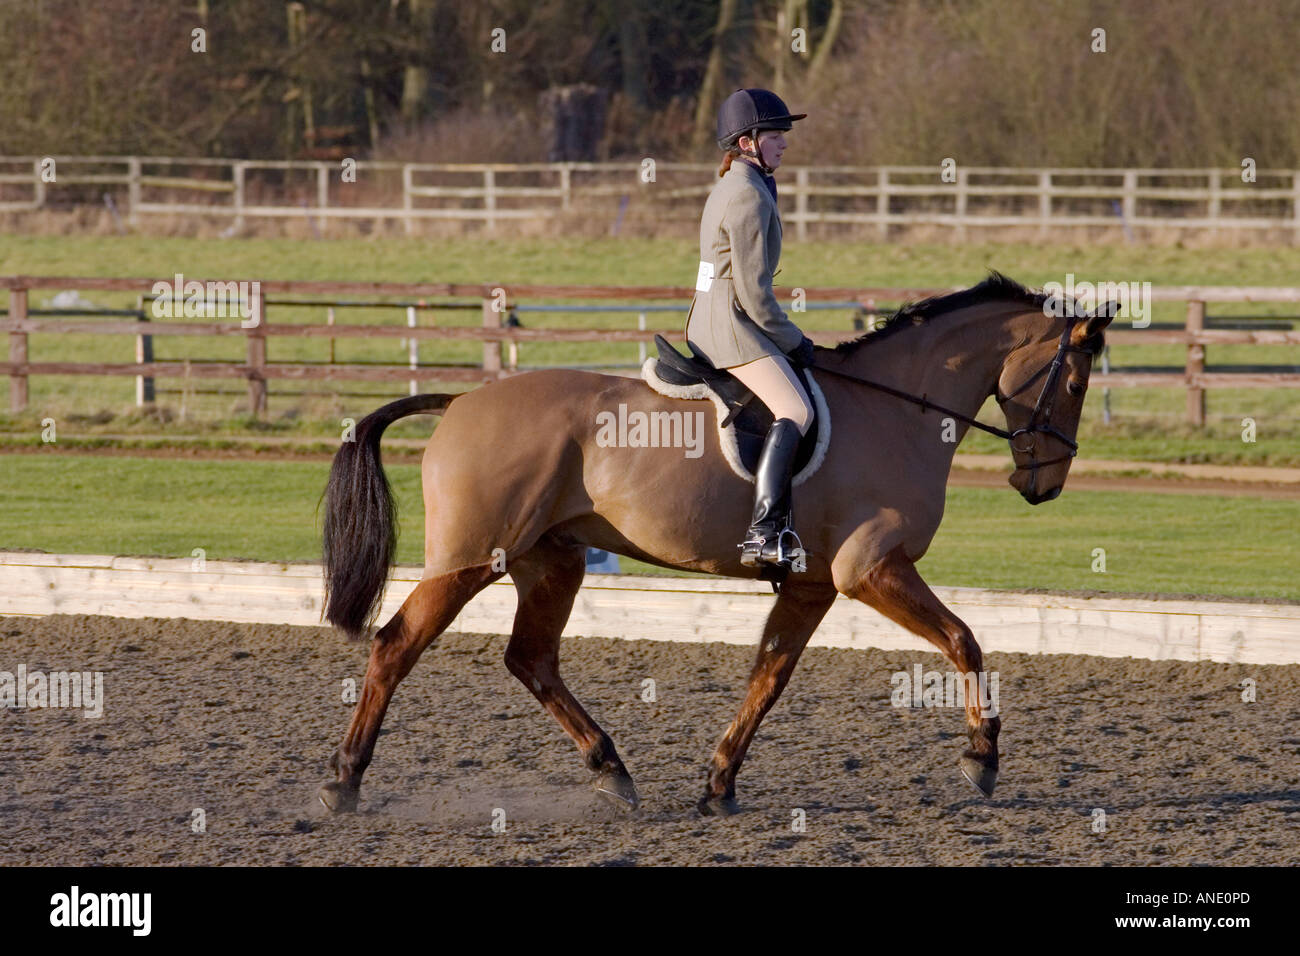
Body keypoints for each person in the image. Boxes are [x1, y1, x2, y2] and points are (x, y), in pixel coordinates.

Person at [684, 88, 815, 570]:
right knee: (795, 408)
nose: (784, 142)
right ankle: (764, 531)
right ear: (746, 142)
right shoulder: (747, 195)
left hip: (711, 316)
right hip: (732, 326)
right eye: (775, 135)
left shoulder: (731, 186)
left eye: (784, 134)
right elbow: (757, 297)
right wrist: (794, 340)